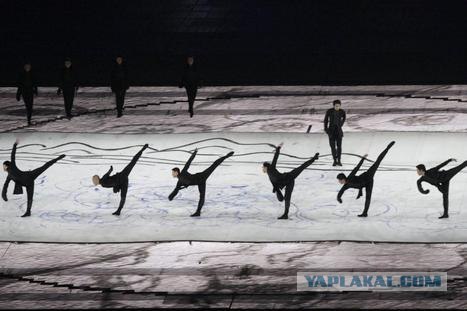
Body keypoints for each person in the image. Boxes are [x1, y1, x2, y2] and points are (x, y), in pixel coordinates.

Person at [2, 140, 66, 217]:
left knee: (45, 166)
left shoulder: (11, 168)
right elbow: (5, 186)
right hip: (29, 179)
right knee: (45, 166)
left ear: (6, 165)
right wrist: (4, 196)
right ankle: (28, 212)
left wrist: (15, 145)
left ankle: (58, 158)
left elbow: (13, 155)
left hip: (29, 176)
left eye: (3, 166)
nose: (3, 167)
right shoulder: (9, 175)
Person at [336, 141, 395, 217]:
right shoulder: (346, 185)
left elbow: (357, 168)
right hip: (366, 184)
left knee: (378, 161)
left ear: (343, 179)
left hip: (368, 176)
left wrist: (363, 159)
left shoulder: (350, 177)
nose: (339, 182)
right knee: (367, 197)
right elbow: (341, 192)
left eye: (339, 180)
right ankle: (365, 213)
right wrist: (339, 198)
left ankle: (388, 147)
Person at [169, 149, 234, 216]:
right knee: (202, 197)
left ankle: (226, 156)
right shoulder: (179, 182)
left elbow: (188, 162)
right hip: (201, 182)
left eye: (173, 172)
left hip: (202, 176)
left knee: (214, 165)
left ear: (176, 172)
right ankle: (198, 212)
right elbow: (176, 190)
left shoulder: (183, 173)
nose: (172, 174)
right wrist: (171, 196)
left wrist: (194, 154)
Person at [263, 143, 319, 219]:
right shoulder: (269, 174)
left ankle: (285, 214)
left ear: (266, 167)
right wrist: (277, 191)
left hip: (288, 178)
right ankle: (285, 213)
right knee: (282, 199)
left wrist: (278, 149)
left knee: (301, 168)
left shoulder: (271, 168)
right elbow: (274, 183)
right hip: (283, 183)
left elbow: (275, 157)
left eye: (263, 167)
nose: (262, 169)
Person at [92, 144, 148, 216]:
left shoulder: (103, 183)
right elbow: (109, 173)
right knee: (133, 162)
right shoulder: (103, 181)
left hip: (122, 179)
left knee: (123, 197)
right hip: (122, 179)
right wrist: (115, 185)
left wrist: (115, 186)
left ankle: (118, 211)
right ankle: (118, 211)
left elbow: (110, 177)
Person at [324, 100, 346, 166]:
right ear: (333, 106)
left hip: (339, 132)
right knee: (333, 147)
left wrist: (341, 124)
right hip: (331, 132)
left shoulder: (342, 111)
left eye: (338, 106)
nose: (337, 107)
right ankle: (334, 160)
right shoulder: (329, 111)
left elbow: (344, 118)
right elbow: (326, 120)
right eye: (336, 106)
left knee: (339, 147)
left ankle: (339, 160)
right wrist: (326, 129)